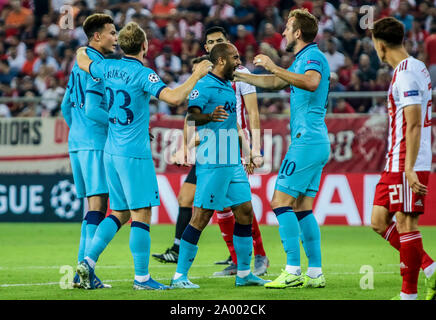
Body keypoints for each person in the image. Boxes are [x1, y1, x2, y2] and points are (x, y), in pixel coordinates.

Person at [74, 21, 212, 290]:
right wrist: (196, 75)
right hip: (133, 154)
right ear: (145, 46)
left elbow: (82, 60)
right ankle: (142, 278)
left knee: (120, 212)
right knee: (141, 213)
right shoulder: (143, 74)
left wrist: (83, 47)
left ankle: (87, 262)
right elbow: (173, 98)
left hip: (110, 152)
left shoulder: (106, 66)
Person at [152, 26, 269, 277]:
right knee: (203, 214)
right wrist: (187, 143)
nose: (240, 61)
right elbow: (192, 116)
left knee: (244, 210)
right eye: (235, 57)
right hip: (214, 158)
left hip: (234, 158)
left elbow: (237, 122)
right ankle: (180, 276)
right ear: (219, 57)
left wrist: (250, 149)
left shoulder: (232, 83)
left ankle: (245, 271)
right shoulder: (204, 84)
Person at [234, 8, 330, 289]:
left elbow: (311, 83)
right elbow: (277, 82)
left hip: (307, 141)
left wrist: (273, 65)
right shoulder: (303, 59)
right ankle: (314, 272)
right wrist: (242, 78)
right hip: (315, 141)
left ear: (298, 32)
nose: (284, 32)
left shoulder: (312, 57)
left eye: (288, 28)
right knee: (302, 208)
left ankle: (291, 270)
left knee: (280, 202)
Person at [370, 17, 436, 300]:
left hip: (406, 160)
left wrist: (408, 168)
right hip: (395, 160)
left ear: (380, 45)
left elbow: (413, 122)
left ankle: (407, 295)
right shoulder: (415, 67)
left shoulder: (407, 74)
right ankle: (431, 268)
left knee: (406, 223)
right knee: (378, 220)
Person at [60, 13, 118, 289]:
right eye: (112, 33)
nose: (115, 38)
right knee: (98, 206)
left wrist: (78, 131)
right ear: (97, 36)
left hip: (77, 143)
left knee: (91, 208)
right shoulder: (97, 65)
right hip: (95, 143)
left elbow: (65, 107)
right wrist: (118, 122)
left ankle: (80, 274)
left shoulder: (76, 65)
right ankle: (86, 272)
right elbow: (95, 109)